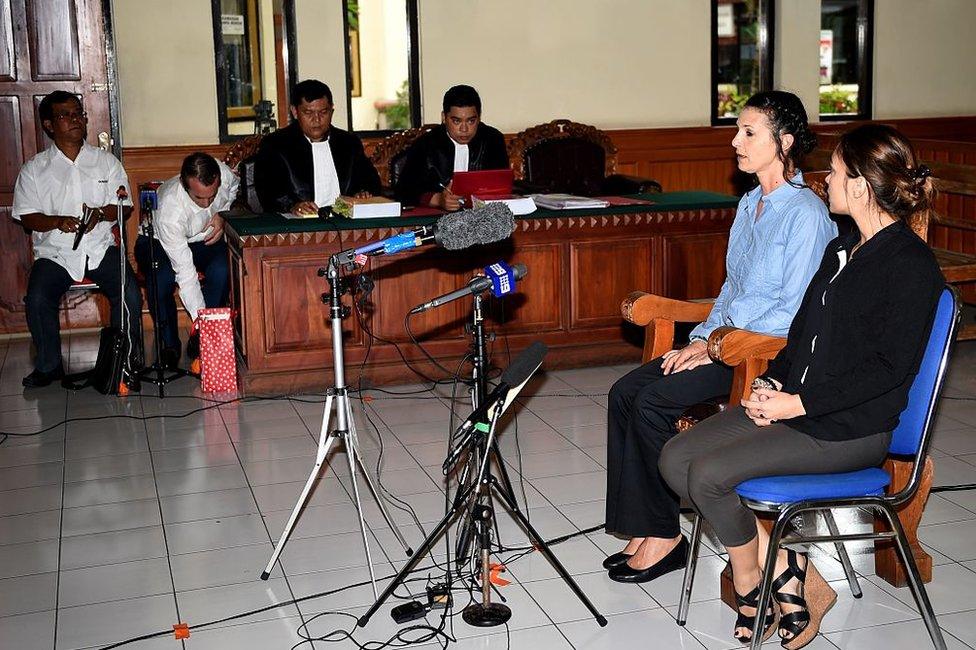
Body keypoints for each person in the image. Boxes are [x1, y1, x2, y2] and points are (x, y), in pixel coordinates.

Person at [659, 124, 944, 647]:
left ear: (860, 185)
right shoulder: (843, 248)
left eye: (833, 172)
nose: (824, 181)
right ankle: (787, 569)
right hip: (802, 406)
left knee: (710, 475)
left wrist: (798, 402)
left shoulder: (909, 265)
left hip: (850, 427)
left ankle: (753, 586)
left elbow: (886, 370)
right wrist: (771, 383)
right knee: (675, 459)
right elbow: (801, 337)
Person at [603, 91, 836, 587]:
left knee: (652, 402)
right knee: (624, 392)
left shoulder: (806, 215)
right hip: (721, 340)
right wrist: (699, 339)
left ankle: (665, 538)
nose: (735, 142)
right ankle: (649, 525)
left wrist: (713, 345)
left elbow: (794, 312)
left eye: (749, 133)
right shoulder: (750, 203)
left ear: (785, 142)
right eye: (738, 130)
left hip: (761, 353)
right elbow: (732, 288)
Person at [12, 91, 142, 388]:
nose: (76, 119)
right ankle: (48, 366)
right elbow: (26, 216)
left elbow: (126, 206)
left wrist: (101, 213)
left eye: (79, 113)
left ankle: (127, 359)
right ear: (48, 125)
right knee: (37, 297)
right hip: (55, 252)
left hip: (99, 247)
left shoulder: (105, 163)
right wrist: (57, 221)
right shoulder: (34, 169)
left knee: (128, 292)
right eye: (66, 115)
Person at [134, 152, 237, 368]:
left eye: (212, 196)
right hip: (157, 241)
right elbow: (186, 274)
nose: (206, 203)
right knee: (161, 277)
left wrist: (221, 214)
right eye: (199, 198)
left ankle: (200, 339)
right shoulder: (170, 209)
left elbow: (233, 190)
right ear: (184, 184)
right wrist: (200, 320)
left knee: (223, 268)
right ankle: (170, 344)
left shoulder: (224, 174)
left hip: (204, 237)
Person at [255, 79, 381, 215]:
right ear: (295, 112)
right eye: (308, 113)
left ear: (331, 110)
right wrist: (292, 206)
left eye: (323, 112)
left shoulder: (349, 143)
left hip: (346, 221)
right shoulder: (275, 145)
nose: (317, 119)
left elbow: (371, 182)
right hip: (299, 226)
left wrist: (364, 193)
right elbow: (268, 192)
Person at [394, 84, 509, 210]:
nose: (464, 129)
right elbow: (403, 192)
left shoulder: (493, 140)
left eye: (471, 121)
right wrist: (438, 200)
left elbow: (502, 187)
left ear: (479, 118)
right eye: (456, 121)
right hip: (438, 219)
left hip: (483, 217)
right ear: (444, 117)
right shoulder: (426, 144)